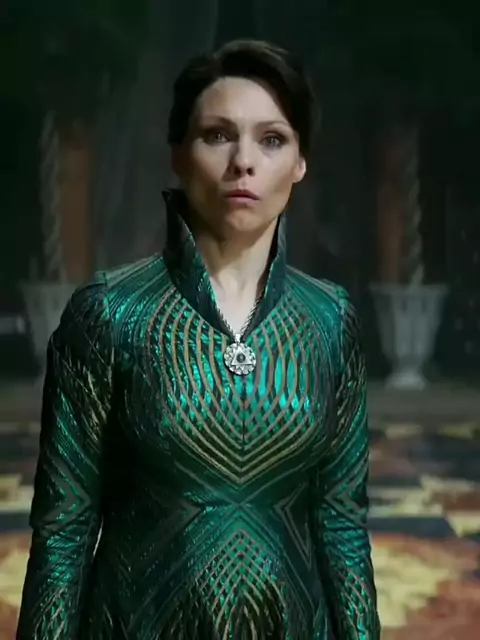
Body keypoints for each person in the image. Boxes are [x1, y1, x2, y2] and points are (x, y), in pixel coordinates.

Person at [16, 39, 380, 639]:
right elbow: (64, 527)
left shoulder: (329, 319)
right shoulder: (110, 313)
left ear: (300, 162)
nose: (244, 162)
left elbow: (341, 523)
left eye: (272, 139)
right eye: (217, 135)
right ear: (178, 154)